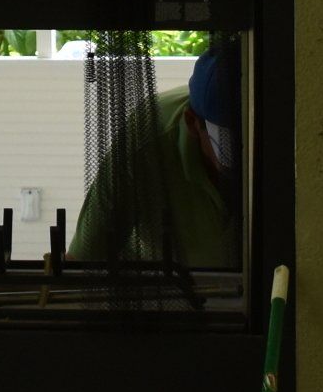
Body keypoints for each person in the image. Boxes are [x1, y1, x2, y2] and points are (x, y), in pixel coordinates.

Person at [70, 41, 242, 270]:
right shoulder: (143, 141)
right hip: (171, 288)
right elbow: (83, 260)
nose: (246, 157)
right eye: (230, 143)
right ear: (192, 123)